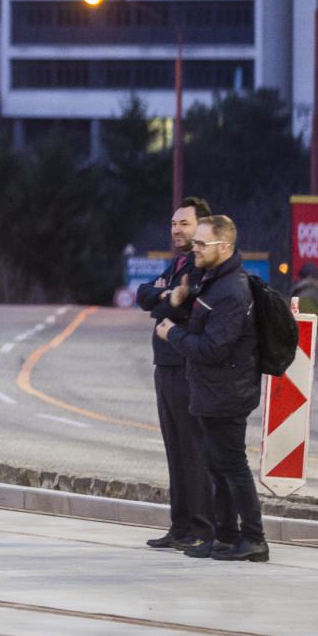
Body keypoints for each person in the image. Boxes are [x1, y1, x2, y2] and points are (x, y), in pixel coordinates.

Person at [156, 214, 268, 562]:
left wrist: (172, 334)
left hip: (228, 392)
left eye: (203, 244)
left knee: (232, 466)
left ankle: (254, 538)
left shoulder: (232, 290)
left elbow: (213, 348)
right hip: (212, 391)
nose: (196, 249)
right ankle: (225, 535)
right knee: (218, 466)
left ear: (225, 247)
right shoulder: (211, 281)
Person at [135, 195, 213, 553]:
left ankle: (200, 526)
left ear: (203, 227)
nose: (176, 230)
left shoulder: (197, 266)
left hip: (185, 366)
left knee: (192, 449)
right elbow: (144, 295)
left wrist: (163, 299)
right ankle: (180, 525)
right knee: (175, 448)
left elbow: (173, 307)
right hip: (165, 365)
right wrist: (163, 296)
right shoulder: (177, 263)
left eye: (184, 223)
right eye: (173, 223)